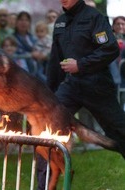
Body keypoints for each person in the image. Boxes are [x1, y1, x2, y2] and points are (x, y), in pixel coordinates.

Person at [41, 0, 125, 188]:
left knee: (120, 132)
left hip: (97, 86)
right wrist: (49, 93)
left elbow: (109, 48)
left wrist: (81, 64)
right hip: (70, 87)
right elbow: (55, 60)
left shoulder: (94, 17)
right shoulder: (61, 21)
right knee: (46, 129)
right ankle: (45, 185)